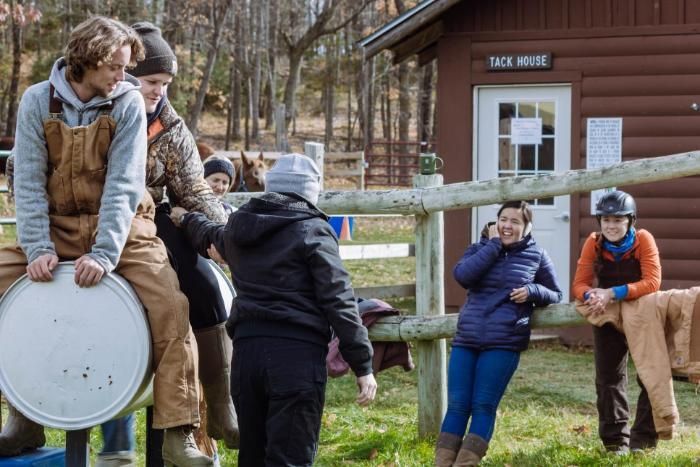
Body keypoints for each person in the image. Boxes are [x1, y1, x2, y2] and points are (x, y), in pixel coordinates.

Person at [0, 16, 213, 466]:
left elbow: (122, 185)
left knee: (170, 305)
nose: (124, 77)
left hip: (120, 227)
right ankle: (22, 415)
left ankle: (179, 430)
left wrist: (104, 252)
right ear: (90, 60)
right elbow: (29, 182)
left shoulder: (127, 104)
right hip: (54, 223)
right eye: (117, 68)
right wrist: (37, 247)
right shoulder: (38, 100)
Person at [171, 153, 378, 465]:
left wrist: (186, 218)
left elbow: (209, 236)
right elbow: (339, 300)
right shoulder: (314, 231)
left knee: (252, 456)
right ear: (311, 191)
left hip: (247, 358)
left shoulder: (240, 227)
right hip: (295, 359)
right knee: (290, 458)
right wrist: (362, 364)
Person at [96, 22, 237, 466]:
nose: (159, 91)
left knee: (203, 285)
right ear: (124, 74)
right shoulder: (94, 110)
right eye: (152, 81)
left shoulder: (170, 126)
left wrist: (222, 235)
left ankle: (219, 403)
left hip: (149, 216)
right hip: (90, 216)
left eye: (165, 84)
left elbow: (193, 189)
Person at [435, 200, 562, 466]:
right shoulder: (480, 248)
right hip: (467, 339)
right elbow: (462, 276)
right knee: (458, 405)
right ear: (495, 222)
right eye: (503, 219)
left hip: (503, 342)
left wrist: (533, 292)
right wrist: (493, 246)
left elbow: (556, 293)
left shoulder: (536, 255)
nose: (507, 226)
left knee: (483, 405)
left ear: (527, 227)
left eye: (515, 222)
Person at [572, 190, 662, 455]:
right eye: (606, 220)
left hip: (644, 314)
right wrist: (591, 295)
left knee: (649, 376)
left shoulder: (643, 240)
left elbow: (652, 281)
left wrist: (612, 292)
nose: (611, 226)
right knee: (608, 377)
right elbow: (579, 283)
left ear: (630, 220)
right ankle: (615, 443)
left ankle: (643, 442)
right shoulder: (594, 243)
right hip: (608, 315)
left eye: (618, 220)